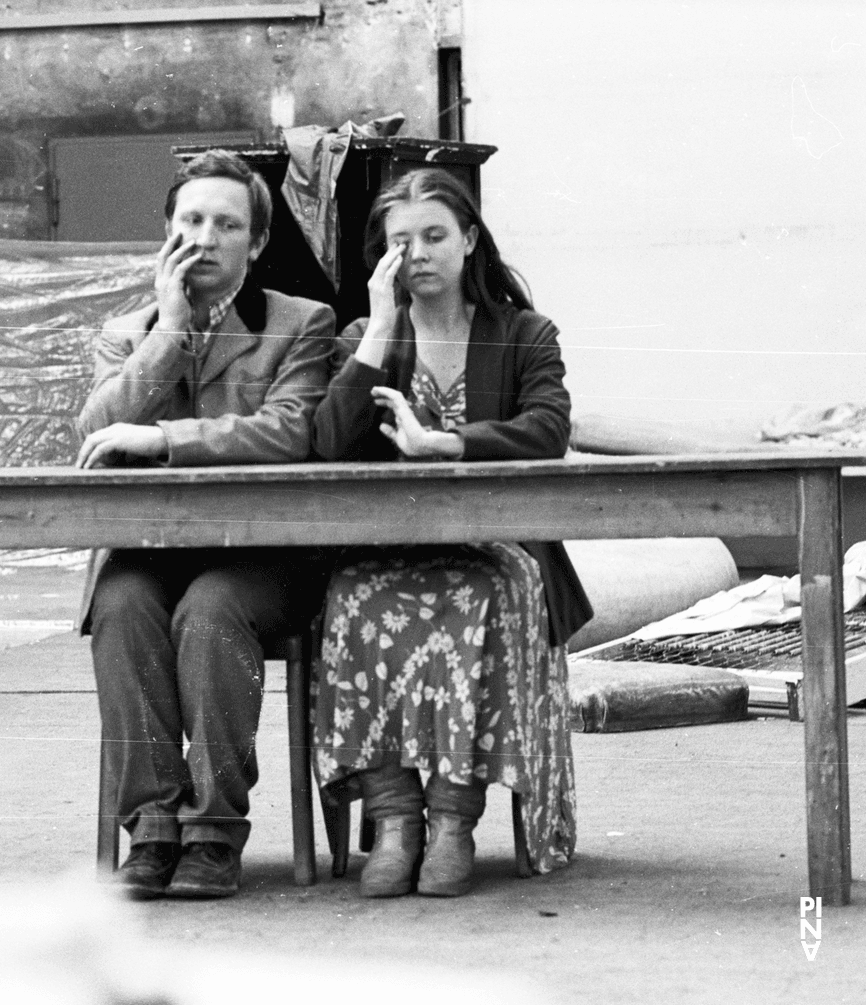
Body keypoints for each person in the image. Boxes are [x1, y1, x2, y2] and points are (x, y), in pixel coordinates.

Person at [310, 168, 593, 898]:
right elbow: (329, 444)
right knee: (351, 594)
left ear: (468, 240)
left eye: (434, 235)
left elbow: (547, 430)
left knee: (479, 592)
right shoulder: (364, 338)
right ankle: (396, 817)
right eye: (400, 241)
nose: (418, 254)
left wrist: (449, 443)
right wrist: (375, 326)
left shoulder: (527, 334)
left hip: (499, 550)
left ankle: (453, 819)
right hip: (389, 550)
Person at [74, 150, 334, 900]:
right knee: (119, 604)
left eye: (227, 224)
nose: (206, 238)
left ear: (255, 244)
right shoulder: (125, 332)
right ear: (166, 233)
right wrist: (171, 333)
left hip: (260, 558)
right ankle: (152, 832)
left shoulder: (301, 323)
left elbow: (289, 431)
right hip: (151, 553)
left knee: (211, 609)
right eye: (192, 220)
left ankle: (214, 832)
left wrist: (164, 440)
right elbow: (91, 431)